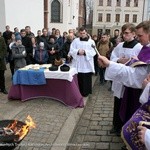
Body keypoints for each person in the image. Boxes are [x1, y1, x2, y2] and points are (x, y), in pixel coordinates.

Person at [110, 23, 142, 136]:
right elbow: (112, 57)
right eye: (123, 33)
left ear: (134, 34)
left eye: (127, 33)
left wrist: (129, 61)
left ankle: (125, 128)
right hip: (119, 79)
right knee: (117, 103)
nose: (124, 35)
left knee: (128, 105)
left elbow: (140, 64)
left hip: (130, 81)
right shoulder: (120, 45)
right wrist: (119, 60)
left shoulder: (139, 47)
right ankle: (116, 125)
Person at [69, 27, 96, 97]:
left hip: (86, 64)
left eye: (83, 33)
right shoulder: (75, 41)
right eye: (81, 33)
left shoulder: (91, 42)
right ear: (79, 33)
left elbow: (94, 51)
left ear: (86, 33)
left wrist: (85, 52)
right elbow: (71, 50)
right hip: (78, 63)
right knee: (79, 78)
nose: (82, 34)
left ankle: (86, 92)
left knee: (86, 78)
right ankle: (78, 92)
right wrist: (78, 51)